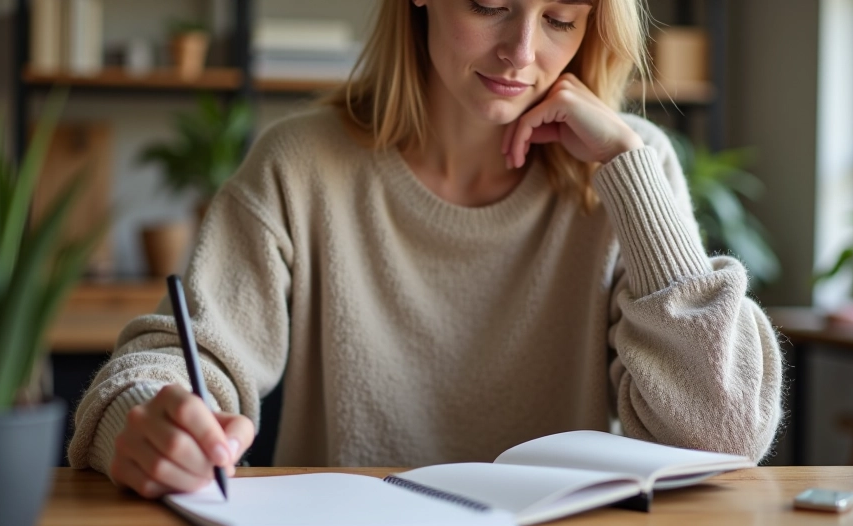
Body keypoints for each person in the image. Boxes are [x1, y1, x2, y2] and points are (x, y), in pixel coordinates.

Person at [68, 0, 783, 499]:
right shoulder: (300, 165)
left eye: (561, 18)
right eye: (488, 4)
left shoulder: (627, 173)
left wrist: (630, 167)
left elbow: (722, 433)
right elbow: (184, 356)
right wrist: (148, 417)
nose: (523, 52)